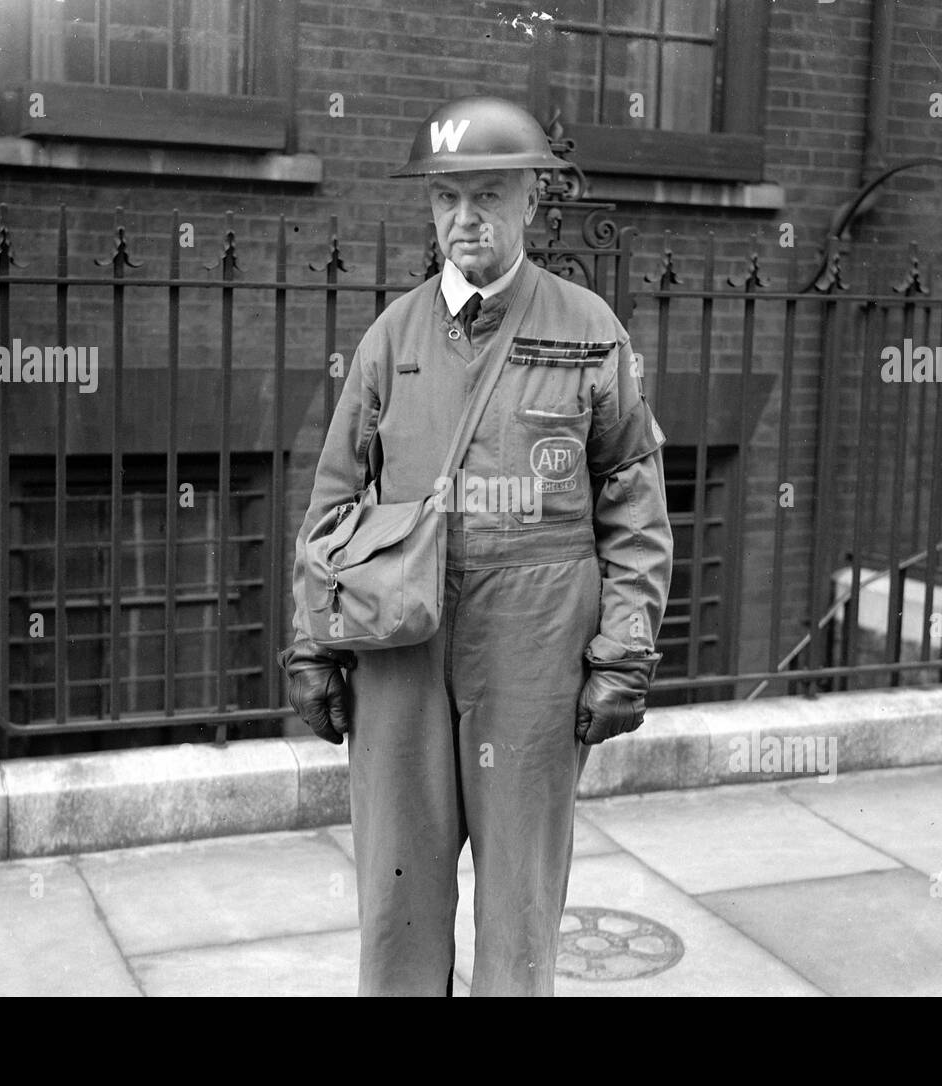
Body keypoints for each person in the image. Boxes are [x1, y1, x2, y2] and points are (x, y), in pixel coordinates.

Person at [278, 96, 673, 997]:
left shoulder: (588, 330)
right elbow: (335, 498)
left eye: (490, 196)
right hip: (402, 649)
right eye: (449, 199)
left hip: (534, 649)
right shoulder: (392, 338)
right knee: (396, 894)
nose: (467, 220)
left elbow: (634, 502)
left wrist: (623, 651)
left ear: (531, 201)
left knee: (523, 902)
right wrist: (310, 643)